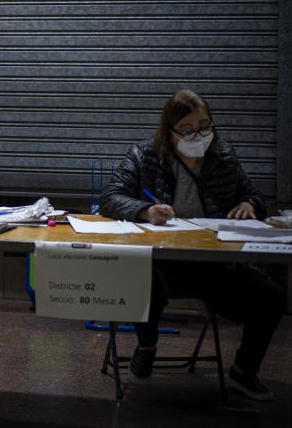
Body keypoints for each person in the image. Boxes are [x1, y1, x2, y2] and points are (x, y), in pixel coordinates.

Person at [100, 89, 284, 401]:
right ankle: (146, 346)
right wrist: (144, 210)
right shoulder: (144, 155)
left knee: (271, 297)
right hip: (162, 261)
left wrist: (249, 204)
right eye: (187, 129)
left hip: (214, 262)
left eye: (205, 125)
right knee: (139, 279)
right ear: (169, 132)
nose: (198, 134)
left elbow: (253, 195)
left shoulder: (223, 156)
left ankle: (243, 371)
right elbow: (110, 198)